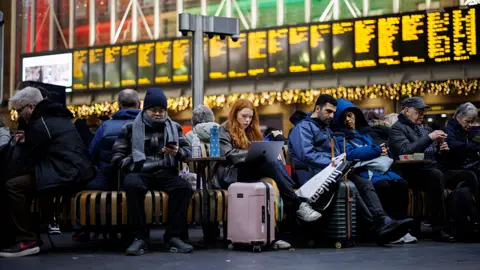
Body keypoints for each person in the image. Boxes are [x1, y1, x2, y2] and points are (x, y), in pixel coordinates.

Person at [288, 94, 413, 245]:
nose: (331, 115)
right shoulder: (303, 128)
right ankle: (377, 227)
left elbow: (339, 153)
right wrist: (336, 163)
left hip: (330, 172)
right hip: (312, 174)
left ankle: (382, 221)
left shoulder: (325, 129)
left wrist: (341, 163)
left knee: (363, 182)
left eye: (333, 112)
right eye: (328, 111)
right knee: (352, 185)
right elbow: (306, 155)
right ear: (317, 108)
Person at [1, 86, 95, 258]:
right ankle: (32, 235)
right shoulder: (54, 116)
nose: (18, 115)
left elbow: (29, 158)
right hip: (76, 169)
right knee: (25, 182)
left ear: (30, 107)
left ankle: (27, 240)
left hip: (66, 173)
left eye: (19, 110)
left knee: (13, 185)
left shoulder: (39, 123)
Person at [111, 88, 193, 255]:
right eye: (153, 110)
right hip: (140, 171)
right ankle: (139, 237)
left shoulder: (174, 127)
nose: (157, 114)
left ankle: (173, 237)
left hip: (165, 170)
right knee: (133, 186)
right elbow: (117, 156)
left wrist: (177, 153)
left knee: (183, 188)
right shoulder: (130, 128)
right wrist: (135, 165)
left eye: (161, 110)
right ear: (145, 109)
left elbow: (188, 152)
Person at [216, 99, 322, 225]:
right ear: (235, 114)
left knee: (271, 161)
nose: (247, 120)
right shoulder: (224, 129)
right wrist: (256, 155)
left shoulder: (250, 130)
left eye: (250, 117)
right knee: (269, 162)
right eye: (244, 116)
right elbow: (229, 155)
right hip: (230, 173)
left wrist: (266, 152)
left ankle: (295, 201)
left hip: (246, 170)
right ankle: (297, 202)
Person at [389, 97, 478, 242]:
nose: (422, 114)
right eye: (418, 111)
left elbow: (434, 154)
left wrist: (442, 149)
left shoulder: (424, 127)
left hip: (430, 168)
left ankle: (473, 221)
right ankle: (440, 227)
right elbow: (404, 150)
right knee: (436, 175)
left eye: (423, 111)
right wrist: (430, 137)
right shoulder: (397, 128)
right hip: (411, 172)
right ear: (406, 111)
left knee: (468, 175)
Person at [333, 99, 417, 244]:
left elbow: (376, 152)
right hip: (363, 172)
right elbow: (350, 154)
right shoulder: (339, 137)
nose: (348, 120)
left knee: (401, 184)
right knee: (382, 186)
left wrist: (376, 151)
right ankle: (389, 228)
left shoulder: (364, 134)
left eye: (350, 115)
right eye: (344, 117)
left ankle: (400, 228)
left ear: (356, 116)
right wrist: (376, 150)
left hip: (379, 170)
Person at [88, 89, 141, 190]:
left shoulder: (105, 126)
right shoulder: (148, 126)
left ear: (118, 105)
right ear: (139, 104)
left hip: (106, 184)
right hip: (139, 186)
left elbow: (91, 155)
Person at [444, 103, 480, 189]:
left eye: (472, 122)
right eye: (467, 121)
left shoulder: (469, 130)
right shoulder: (449, 129)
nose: (470, 125)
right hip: (454, 168)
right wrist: (475, 146)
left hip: (470, 165)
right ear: (458, 118)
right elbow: (452, 144)